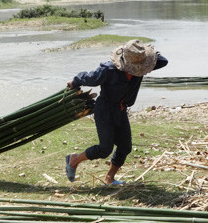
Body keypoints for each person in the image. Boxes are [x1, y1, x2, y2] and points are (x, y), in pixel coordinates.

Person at [65, 39, 168, 186]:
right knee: (105, 149)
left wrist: (146, 54)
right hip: (105, 110)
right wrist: (75, 81)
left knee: (125, 146)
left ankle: (109, 178)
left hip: (120, 110)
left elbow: (163, 61)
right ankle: (74, 159)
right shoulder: (109, 70)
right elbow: (91, 77)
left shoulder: (141, 66)